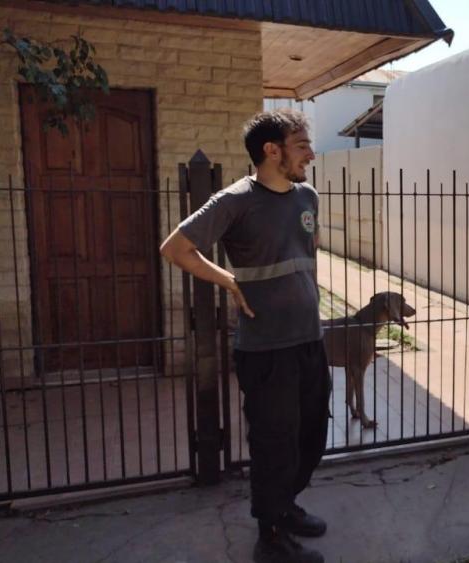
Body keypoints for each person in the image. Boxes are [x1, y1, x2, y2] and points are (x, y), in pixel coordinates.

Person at [160, 109, 328, 563]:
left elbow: (305, 253)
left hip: (309, 340)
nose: (311, 154)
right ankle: (269, 536)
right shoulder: (235, 200)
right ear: (271, 151)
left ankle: (286, 506)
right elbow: (175, 248)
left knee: (311, 436)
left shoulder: (307, 196)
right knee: (274, 443)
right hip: (266, 349)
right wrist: (229, 282)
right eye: (301, 145)